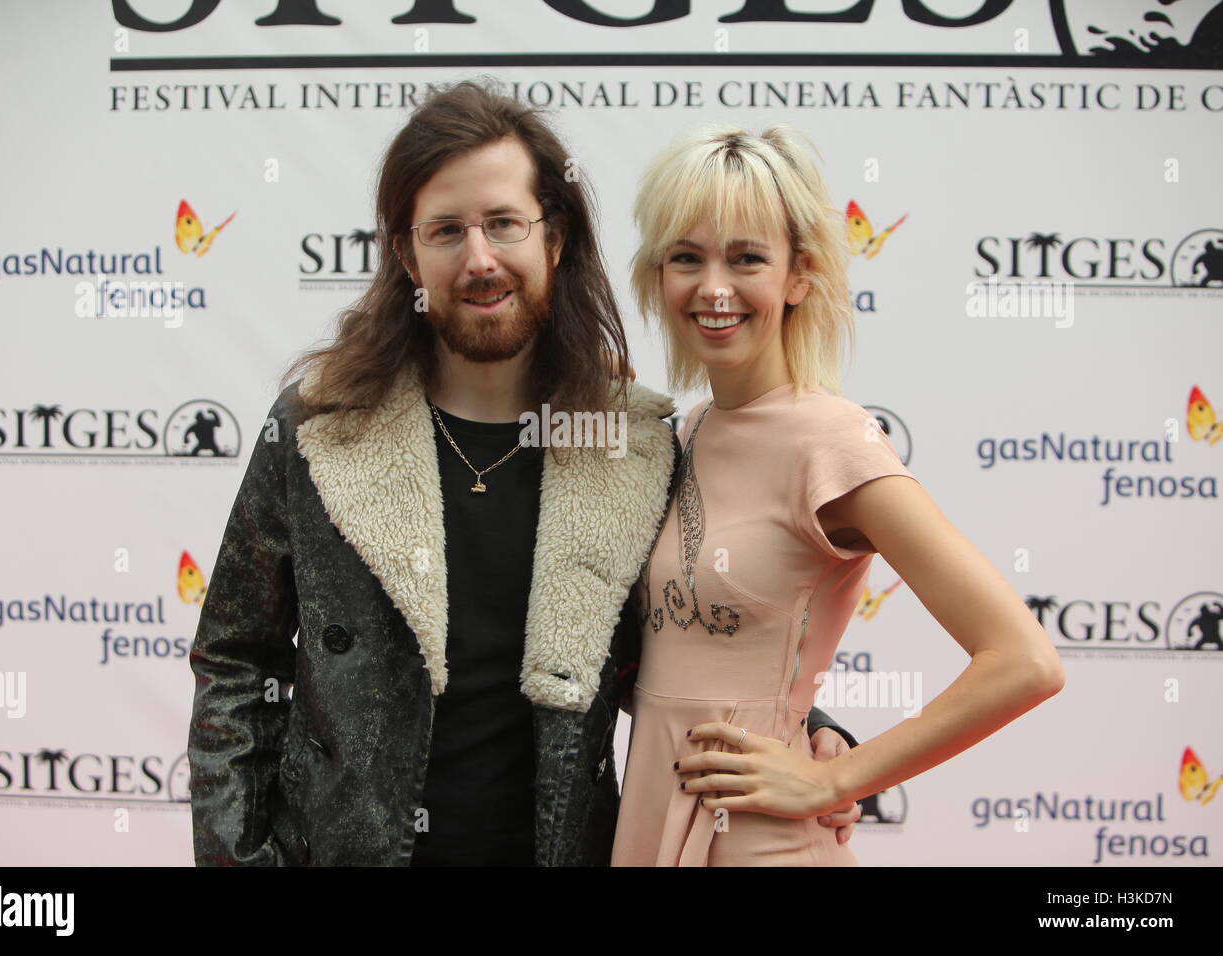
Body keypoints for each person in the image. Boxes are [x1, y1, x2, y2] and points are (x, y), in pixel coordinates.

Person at [185, 81, 862, 867]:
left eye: (504, 223)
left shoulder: (630, 445)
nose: (479, 260)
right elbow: (235, 660)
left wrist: (811, 728)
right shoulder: (319, 426)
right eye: (445, 230)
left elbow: (689, 628)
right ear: (408, 253)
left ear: (555, 238)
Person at [611, 124, 1066, 866]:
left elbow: (1023, 660)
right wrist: (823, 724)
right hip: (649, 820)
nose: (713, 287)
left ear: (799, 277)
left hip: (762, 843)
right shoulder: (687, 430)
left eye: (747, 257)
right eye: (686, 258)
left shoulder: (834, 441)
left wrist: (834, 778)